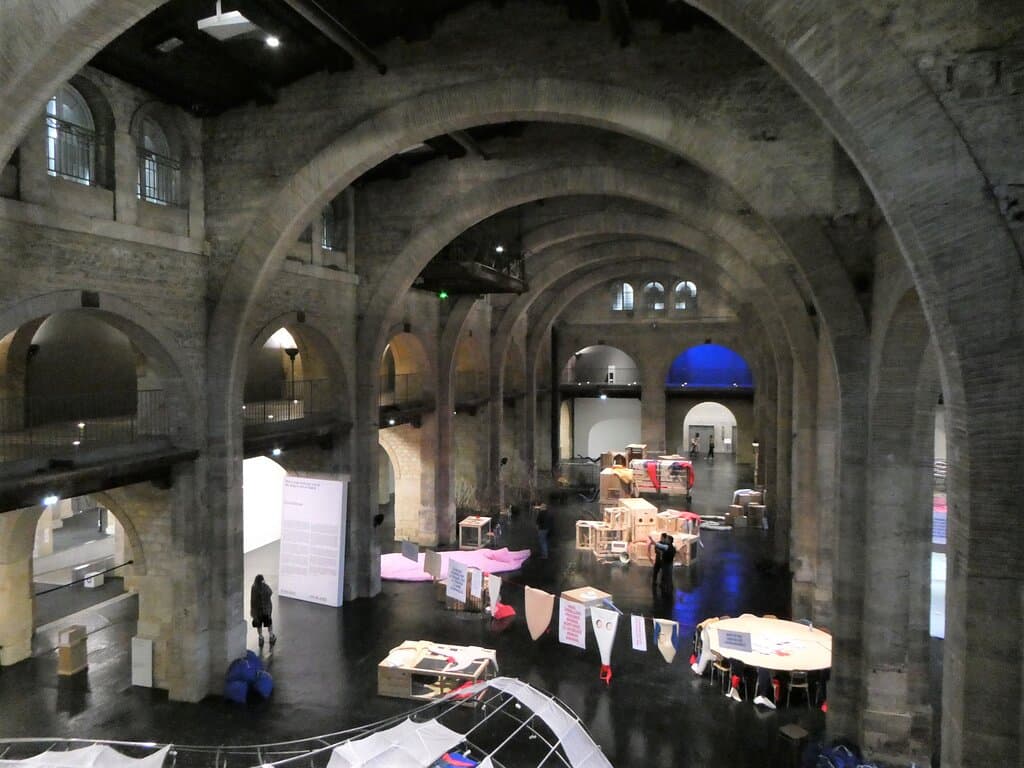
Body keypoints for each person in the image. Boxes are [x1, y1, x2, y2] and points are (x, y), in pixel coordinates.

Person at [250, 574, 276, 649]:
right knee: (269, 623)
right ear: (262, 580)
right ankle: (271, 637)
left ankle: (261, 638)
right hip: (266, 611)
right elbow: (270, 592)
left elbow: (252, 600)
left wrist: (252, 612)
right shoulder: (265, 586)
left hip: (257, 611)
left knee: (259, 625)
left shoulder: (253, 588)